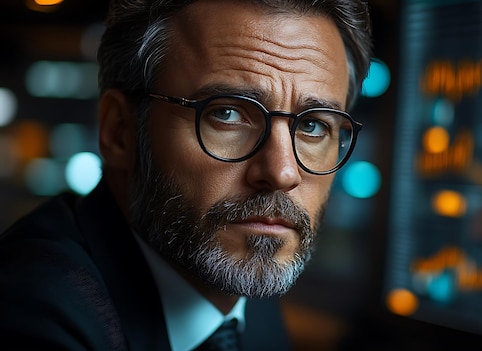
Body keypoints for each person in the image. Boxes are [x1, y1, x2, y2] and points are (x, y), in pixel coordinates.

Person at [0, 0, 372, 350]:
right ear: (119, 130)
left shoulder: (235, 270)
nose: (281, 172)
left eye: (313, 126)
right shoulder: (32, 314)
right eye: (227, 114)